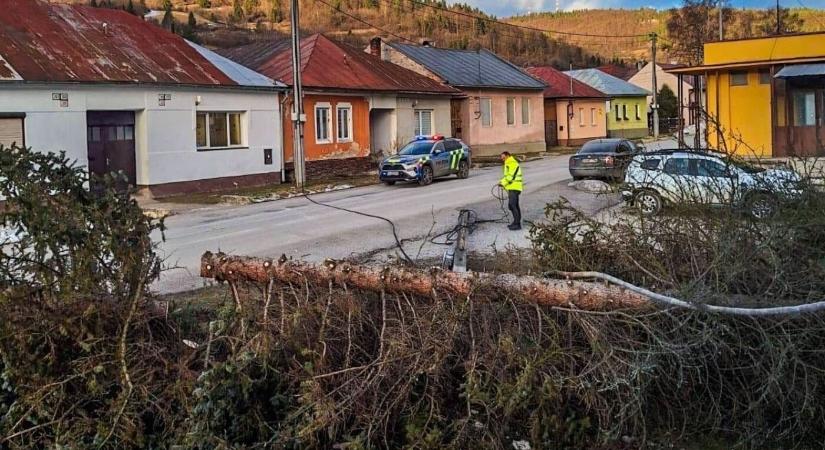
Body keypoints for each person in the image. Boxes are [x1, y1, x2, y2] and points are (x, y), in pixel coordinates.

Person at [499, 151, 523, 231]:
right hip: (512, 187)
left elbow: (510, 176)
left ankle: (517, 224)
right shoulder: (508, 163)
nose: (502, 159)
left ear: (508, 156)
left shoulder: (512, 163)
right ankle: (516, 222)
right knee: (514, 205)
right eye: (501, 158)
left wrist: (503, 183)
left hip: (515, 187)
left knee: (512, 205)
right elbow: (507, 176)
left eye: (503, 157)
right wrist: (501, 182)